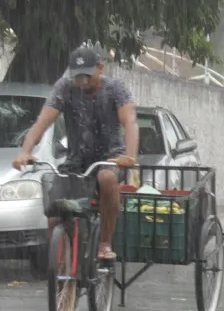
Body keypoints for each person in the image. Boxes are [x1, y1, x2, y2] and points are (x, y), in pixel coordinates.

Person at [13, 45, 138, 259]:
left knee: (107, 178)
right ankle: (63, 268)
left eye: (87, 76)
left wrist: (130, 156)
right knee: (55, 213)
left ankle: (105, 243)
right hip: (76, 160)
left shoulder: (115, 88)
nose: (82, 81)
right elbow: (42, 122)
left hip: (110, 158)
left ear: (99, 68)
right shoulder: (65, 87)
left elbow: (131, 122)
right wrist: (25, 151)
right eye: (77, 76)